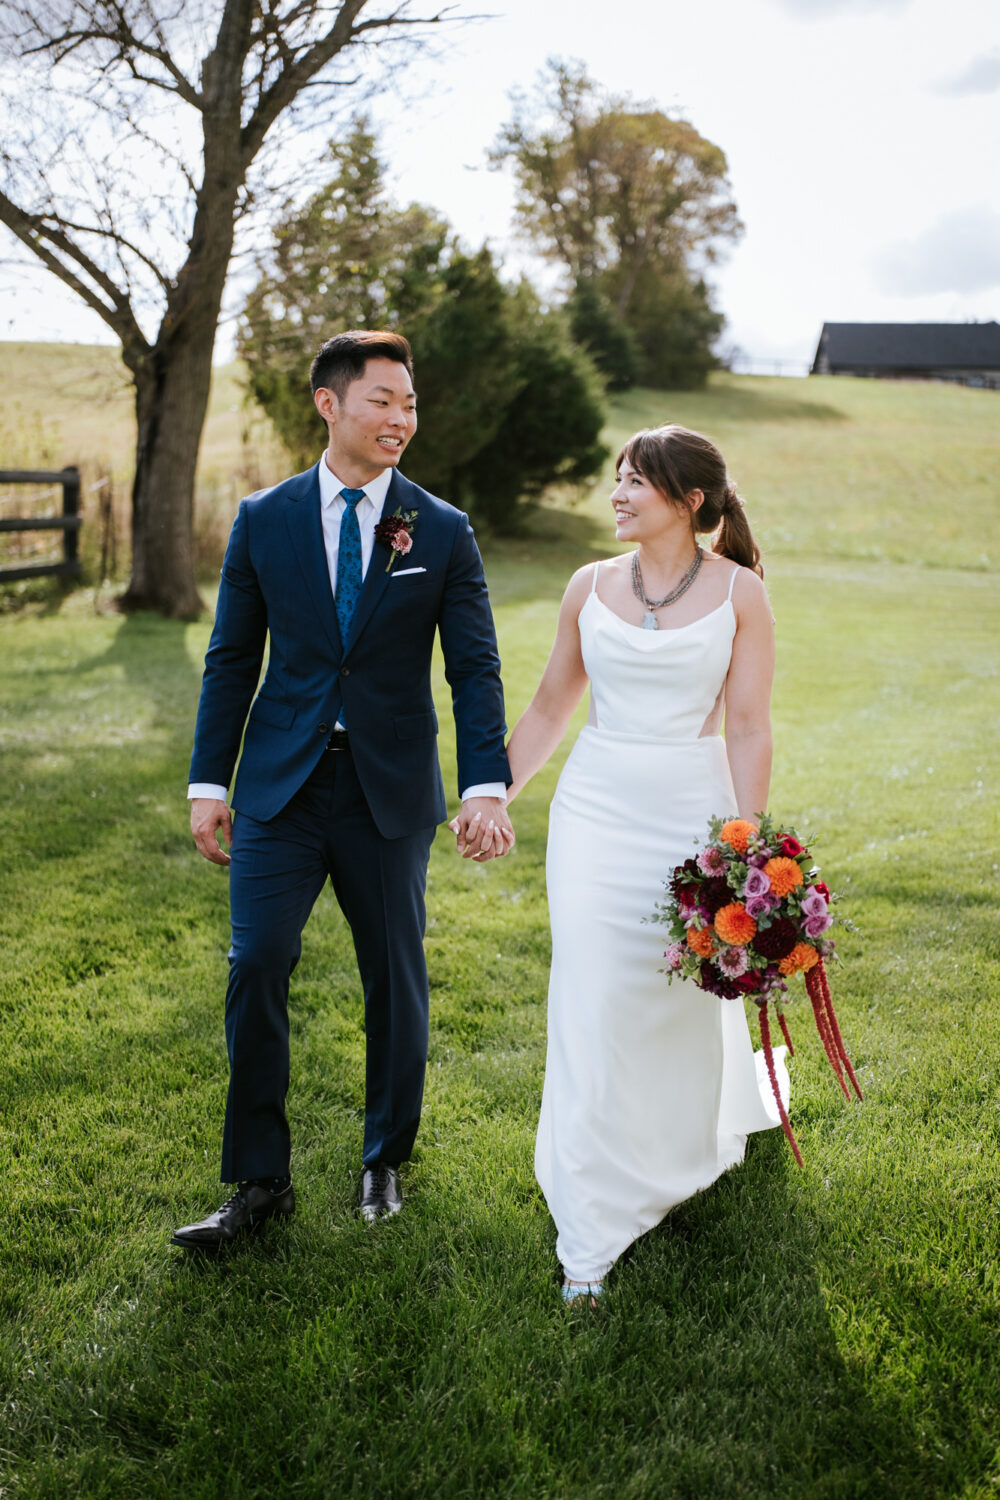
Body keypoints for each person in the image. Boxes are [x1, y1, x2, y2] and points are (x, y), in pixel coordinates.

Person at [172, 330, 514, 1249]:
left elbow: (474, 669)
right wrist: (211, 781)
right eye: (383, 402)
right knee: (256, 965)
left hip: (390, 790)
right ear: (330, 405)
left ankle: (382, 1159)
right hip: (281, 785)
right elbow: (232, 658)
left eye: (409, 404)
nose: (401, 419)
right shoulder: (264, 518)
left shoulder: (440, 530)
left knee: (394, 980)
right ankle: (257, 1184)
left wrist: (487, 784)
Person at [505, 424, 789, 1304]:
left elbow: (746, 725)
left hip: (689, 813)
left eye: (636, 482)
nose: (618, 495)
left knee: (671, 994)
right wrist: (492, 793)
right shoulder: (588, 585)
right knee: (593, 991)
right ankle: (591, 1218)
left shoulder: (741, 595)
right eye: (616, 480)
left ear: (689, 501)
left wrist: (749, 841)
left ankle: (684, 1145)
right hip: (594, 809)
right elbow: (554, 702)